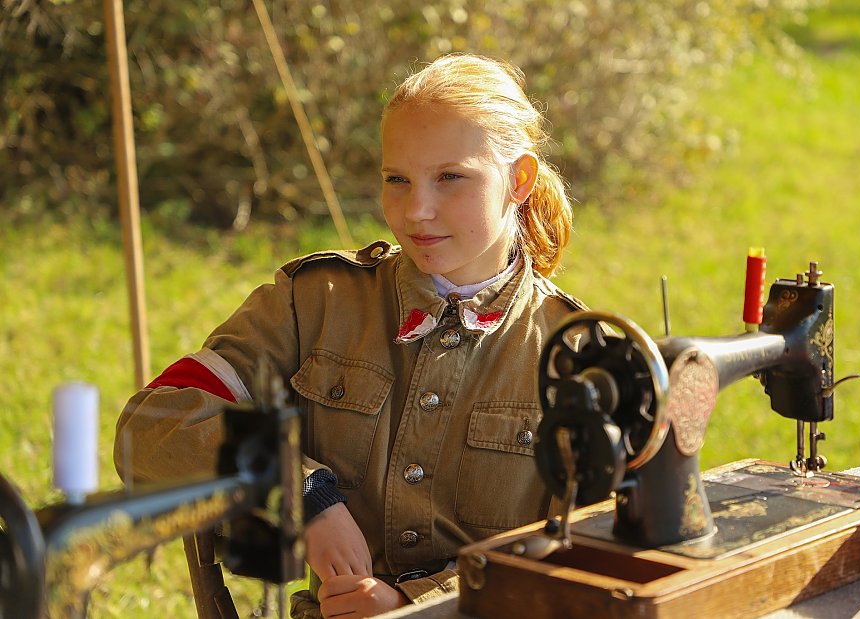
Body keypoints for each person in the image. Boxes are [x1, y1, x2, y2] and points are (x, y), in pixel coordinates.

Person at [114, 52, 586, 619]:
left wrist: (417, 604)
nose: (417, 210)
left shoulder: (575, 354)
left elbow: (588, 554)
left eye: (450, 178)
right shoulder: (315, 303)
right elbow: (153, 423)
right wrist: (300, 496)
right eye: (397, 179)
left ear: (519, 179)